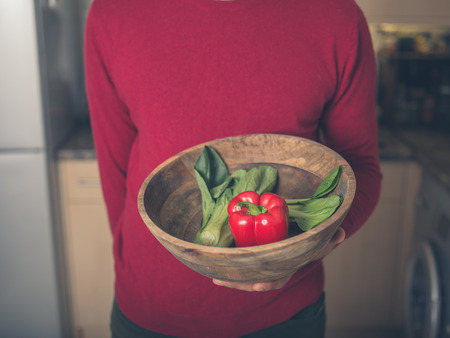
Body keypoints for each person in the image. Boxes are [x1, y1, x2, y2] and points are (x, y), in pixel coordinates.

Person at [84, 0, 382, 337]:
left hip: (284, 316)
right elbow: (114, 170)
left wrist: (317, 245)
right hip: (150, 313)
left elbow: (361, 165)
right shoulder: (113, 12)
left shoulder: (336, 15)